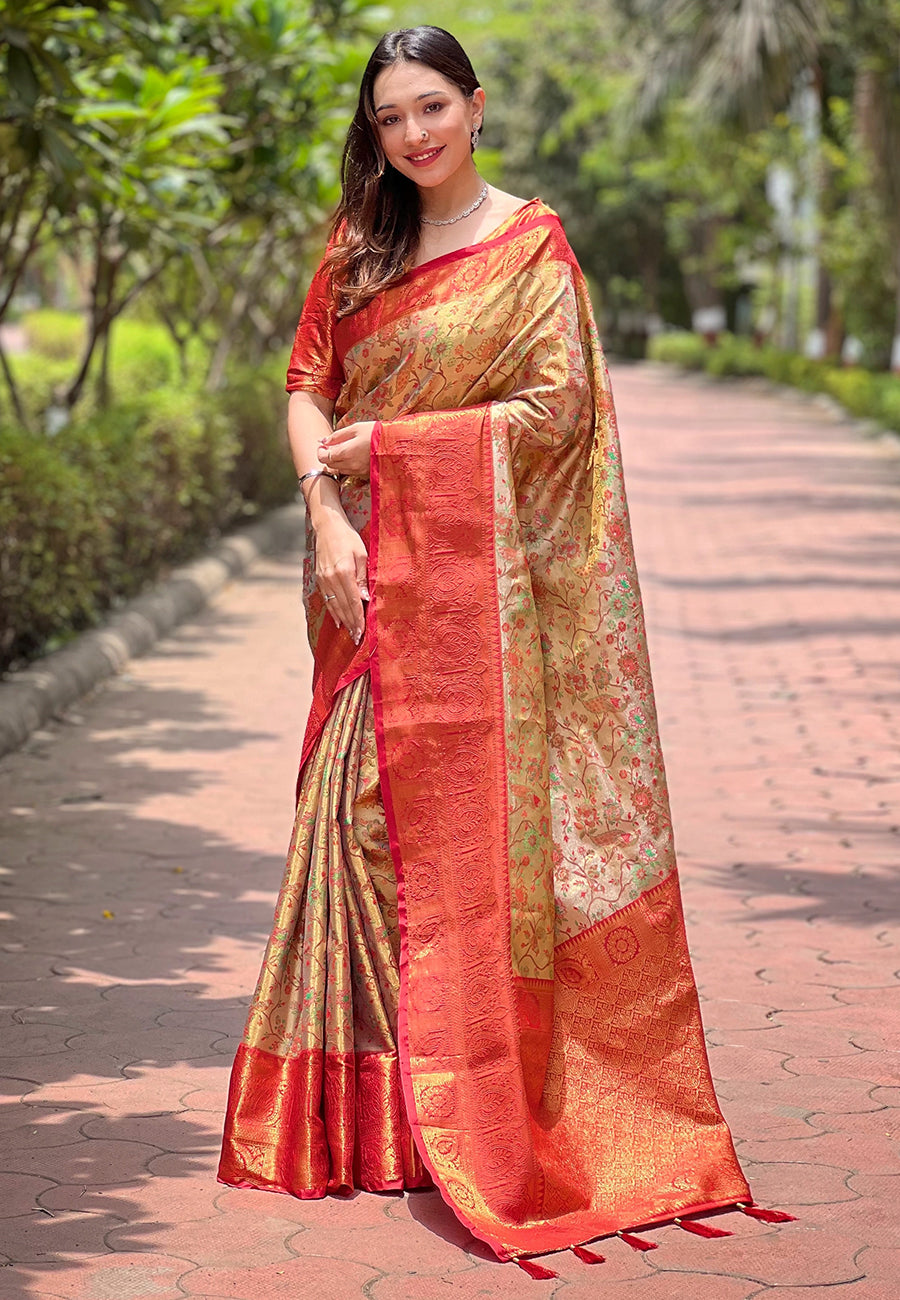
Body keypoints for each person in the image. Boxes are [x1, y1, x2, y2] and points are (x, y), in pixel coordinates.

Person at [219, 24, 758, 1272]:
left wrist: (396, 451)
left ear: (476, 104)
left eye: (430, 109)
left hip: (477, 593)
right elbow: (308, 379)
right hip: (362, 568)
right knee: (352, 820)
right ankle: (370, 1115)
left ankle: (460, 1103)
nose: (412, 136)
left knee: (453, 832)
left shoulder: (529, 245)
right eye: (391, 118)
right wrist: (322, 508)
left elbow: (554, 410)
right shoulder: (362, 245)